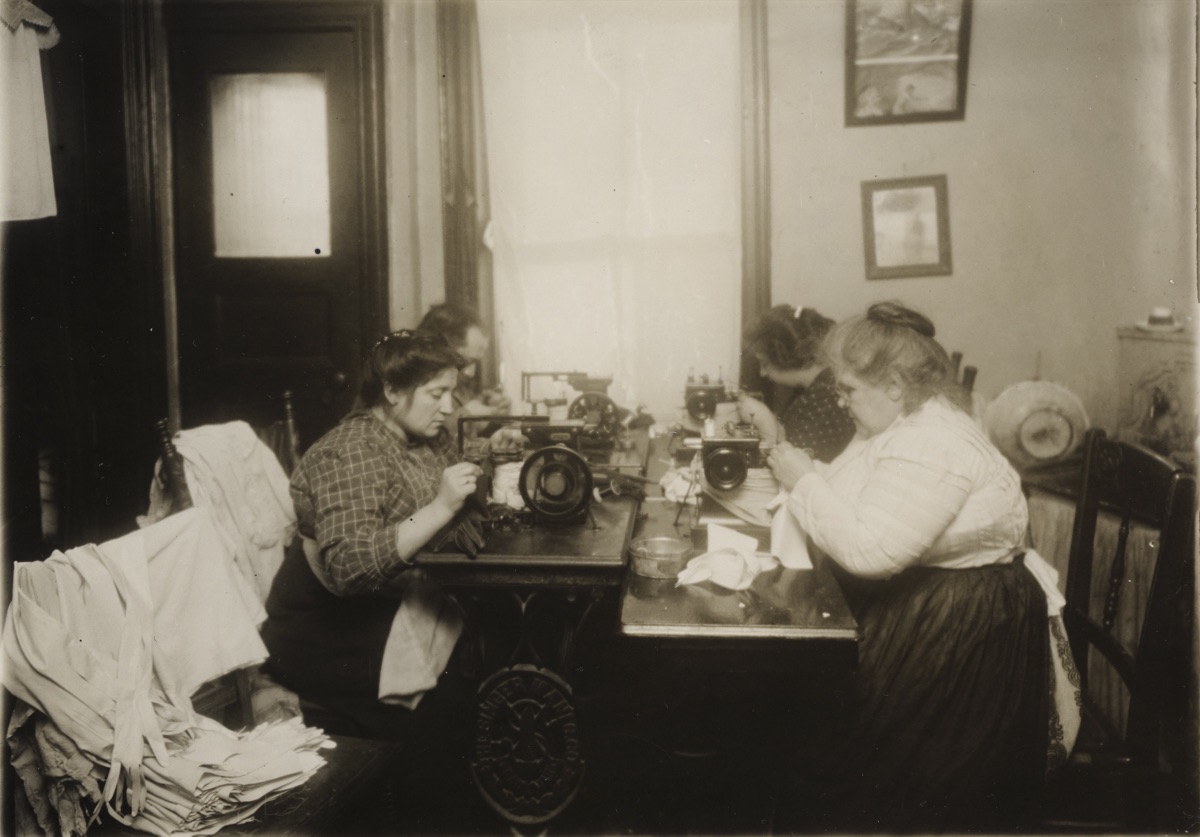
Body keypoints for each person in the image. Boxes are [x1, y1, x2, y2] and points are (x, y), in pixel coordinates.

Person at [767, 301, 1061, 832]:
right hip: (932, 604)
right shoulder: (903, 421)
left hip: (962, 628)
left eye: (849, 388)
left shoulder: (931, 442)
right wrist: (811, 473)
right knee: (803, 705)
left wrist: (803, 482)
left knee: (839, 750)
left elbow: (870, 551)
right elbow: (869, 493)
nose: (839, 398)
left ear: (897, 385)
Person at [260, 329, 522, 744]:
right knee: (464, 676)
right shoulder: (348, 452)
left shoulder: (421, 435)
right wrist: (440, 508)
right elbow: (349, 568)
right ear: (393, 390)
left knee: (499, 631)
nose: (449, 406)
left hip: (385, 605)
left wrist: (489, 451)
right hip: (322, 632)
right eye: (437, 393)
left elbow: (444, 474)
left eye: (451, 393)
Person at [735, 304, 855, 463]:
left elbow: (791, 466)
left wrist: (764, 419)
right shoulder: (817, 386)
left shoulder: (829, 395)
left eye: (765, 363)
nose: (762, 373)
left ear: (785, 356)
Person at [416, 302, 511, 438]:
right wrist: (466, 416)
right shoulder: (414, 381)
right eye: (465, 362)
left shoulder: (459, 384)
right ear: (440, 347)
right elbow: (419, 444)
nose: (471, 373)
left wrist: (489, 412)